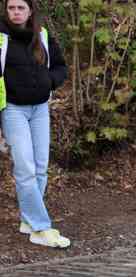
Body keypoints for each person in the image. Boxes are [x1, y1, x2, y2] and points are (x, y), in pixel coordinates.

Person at [0, 0, 69, 248]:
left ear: (30, 11)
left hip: (40, 109)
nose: (16, 12)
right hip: (12, 110)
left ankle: (28, 221)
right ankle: (40, 227)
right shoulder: (1, 37)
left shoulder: (42, 35)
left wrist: (48, 81)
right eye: (11, 8)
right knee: (26, 168)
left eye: (21, 8)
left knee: (40, 167)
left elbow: (61, 67)